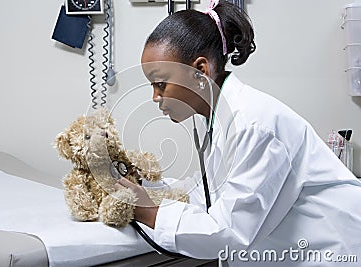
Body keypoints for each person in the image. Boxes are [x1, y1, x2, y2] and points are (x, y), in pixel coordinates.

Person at [115, 1, 361, 266]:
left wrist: (148, 211)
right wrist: (148, 187)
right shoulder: (221, 119)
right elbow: (204, 193)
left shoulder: (253, 125)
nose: (155, 97)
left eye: (160, 83)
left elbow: (229, 231)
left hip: (334, 251)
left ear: (200, 71)